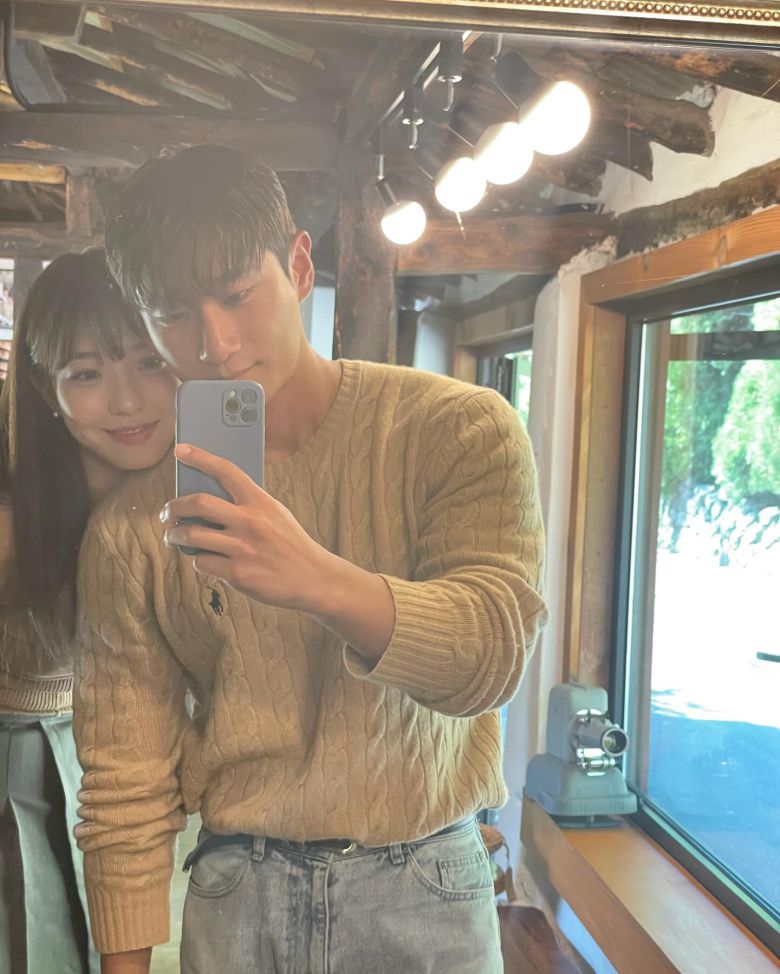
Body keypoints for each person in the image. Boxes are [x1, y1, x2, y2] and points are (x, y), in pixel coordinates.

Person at [73, 145, 548, 974]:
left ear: (297, 266)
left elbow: (492, 656)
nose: (216, 343)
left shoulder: (459, 428)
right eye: (172, 313)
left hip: (426, 883)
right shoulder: (131, 525)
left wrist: (316, 579)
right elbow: (124, 779)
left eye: (236, 294)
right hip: (237, 889)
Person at [0, 250, 177, 974]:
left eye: (150, 362)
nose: (128, 401)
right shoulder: (13, 524)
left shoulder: (180, 496)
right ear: (47, 388)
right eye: (87, 374)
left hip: (101, 767)